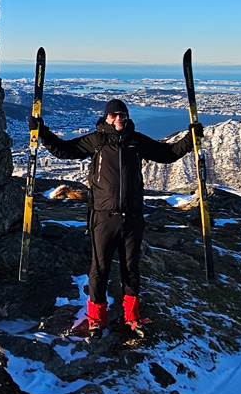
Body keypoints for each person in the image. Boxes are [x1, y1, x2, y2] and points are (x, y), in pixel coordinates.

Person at [30, 99, 201, 336]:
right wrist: (42, 133)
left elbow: (168, 154)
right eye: (114, 115)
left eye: (123, 115)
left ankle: (132, 316)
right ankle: (96, 317)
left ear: (128, 117)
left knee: (131, 268)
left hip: (132, 216)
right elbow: (64, 150)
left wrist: (190, 140)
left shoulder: (136, 140)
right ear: (106, 117)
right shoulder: (97, 141)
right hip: (103, 216)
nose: (119, 119)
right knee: (99, 269)